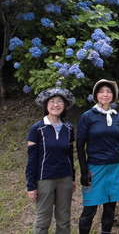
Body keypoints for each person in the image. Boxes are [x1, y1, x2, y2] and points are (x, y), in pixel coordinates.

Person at [77, 79, 119, 234]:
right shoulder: (87, 116)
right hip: (96, 168)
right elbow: (80, 145)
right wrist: (84, 170)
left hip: (115, 167)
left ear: (113, 95)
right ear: (96, 95)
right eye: (101, 91)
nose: (105, 94)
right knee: (89, 209)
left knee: (110, 208)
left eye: (109, 91)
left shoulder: (117, 116)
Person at [25, 87, 76, 234]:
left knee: (64, 220)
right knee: (43, 221)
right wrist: (31, 186)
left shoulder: (68, 128)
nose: (56, 104)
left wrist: (72, 178)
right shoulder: (37, 129)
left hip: (65, 179)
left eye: (59, 101)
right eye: (52, 101)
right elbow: (32, 160)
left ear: (65, 105)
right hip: (44, 179)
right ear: (46, 105)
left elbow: (70, 156)